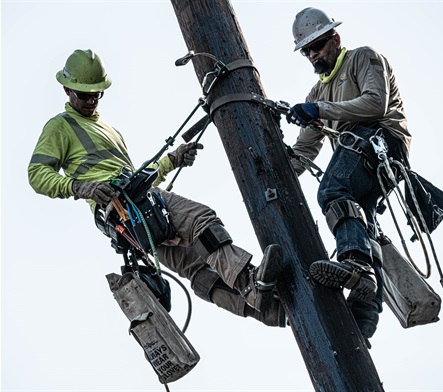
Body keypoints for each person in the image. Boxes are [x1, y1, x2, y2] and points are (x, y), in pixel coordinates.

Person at [28, 49, 286, 327]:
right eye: (84, 95)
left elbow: (134, 178)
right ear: (67, 89)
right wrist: (81, 187)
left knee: (195, 268)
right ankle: (251, 287)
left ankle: (271, 314)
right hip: (125, 211)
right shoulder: (60, 126)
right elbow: (37, 174)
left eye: (96, 94)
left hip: (131, 218)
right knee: (201, 220)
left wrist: (171, 161)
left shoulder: (108, 129)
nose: (91, 101)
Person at [285, 8, 412, 344]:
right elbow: (304, 152)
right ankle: (363, 320)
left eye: (318, 46)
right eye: (307, 50)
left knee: (332, 191)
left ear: (335, 40)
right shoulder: (315, 94)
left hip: (382, 142)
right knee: (362, 224)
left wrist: (320, 111)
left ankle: (355, 265)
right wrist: (276, 166)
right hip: (359, 157)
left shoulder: (362, 58)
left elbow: (375, 104)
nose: (313, 55)